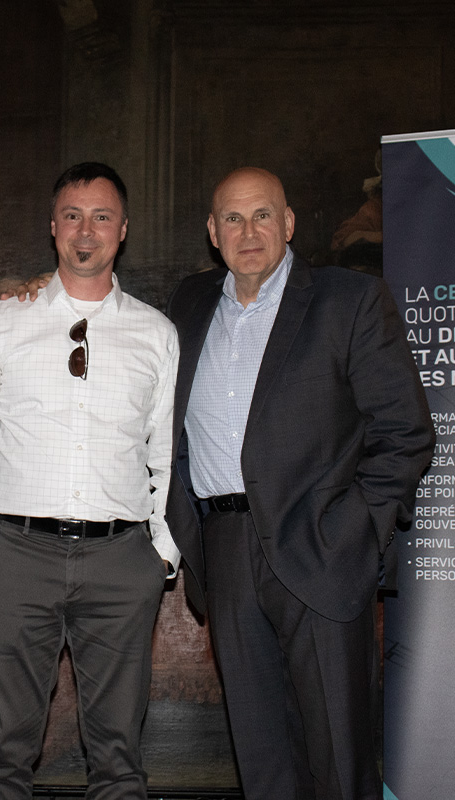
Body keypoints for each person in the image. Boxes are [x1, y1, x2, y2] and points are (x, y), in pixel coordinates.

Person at [165, 167, 435, 800]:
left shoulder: (349, 299)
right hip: (224, 549)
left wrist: (356, 530)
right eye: (232, 218)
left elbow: (405, 431)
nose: (248, 232)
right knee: (263, 761)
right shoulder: (188, 304)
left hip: (322, 547)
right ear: (212, 232)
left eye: (263, 215)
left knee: (339, 759)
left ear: (287, 223)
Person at [0, 162, 180, 799]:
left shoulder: (156, 334)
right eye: (73, 216)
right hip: (15, 564)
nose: (86, 230)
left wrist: (159, 553)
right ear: (53, 226)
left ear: (122, 230)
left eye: (101, 217)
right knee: (4, 754)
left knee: (119, 760)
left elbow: (166, 457)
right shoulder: (4, 323)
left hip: (122, 564)